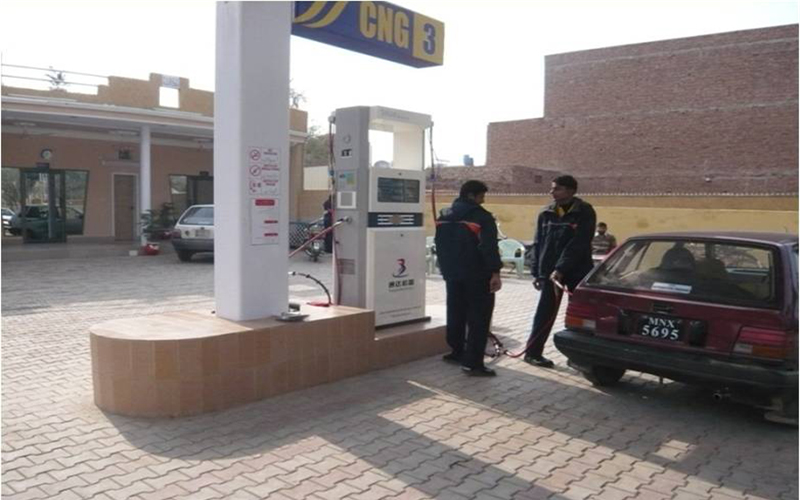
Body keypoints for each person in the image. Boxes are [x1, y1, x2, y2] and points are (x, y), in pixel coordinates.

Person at [524, 175, 596, 368]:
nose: (552, 192)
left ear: (571, 191)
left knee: (578, 315)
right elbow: (538, 244)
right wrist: (537, 273)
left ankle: (578, 358)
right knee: (544, 313)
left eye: (557, 188)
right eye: (552, 188)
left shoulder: (584, 211)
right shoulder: (546, 213)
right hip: (549, 273)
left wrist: (561, 268)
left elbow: (579, 243)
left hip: (576, 270)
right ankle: (532, 353)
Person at [435, 180, 503, 377]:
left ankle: (457, 352)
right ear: (472, 195)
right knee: (478, 318)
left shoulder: (444, 215)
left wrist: (446, 269)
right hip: (477, 275)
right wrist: (495, 272)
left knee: (455, 312)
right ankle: (473, 363)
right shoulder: (482, 217)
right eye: (481, 196)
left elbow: (439, 245)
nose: (483, 200)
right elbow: (488, 247)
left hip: (452, 274)